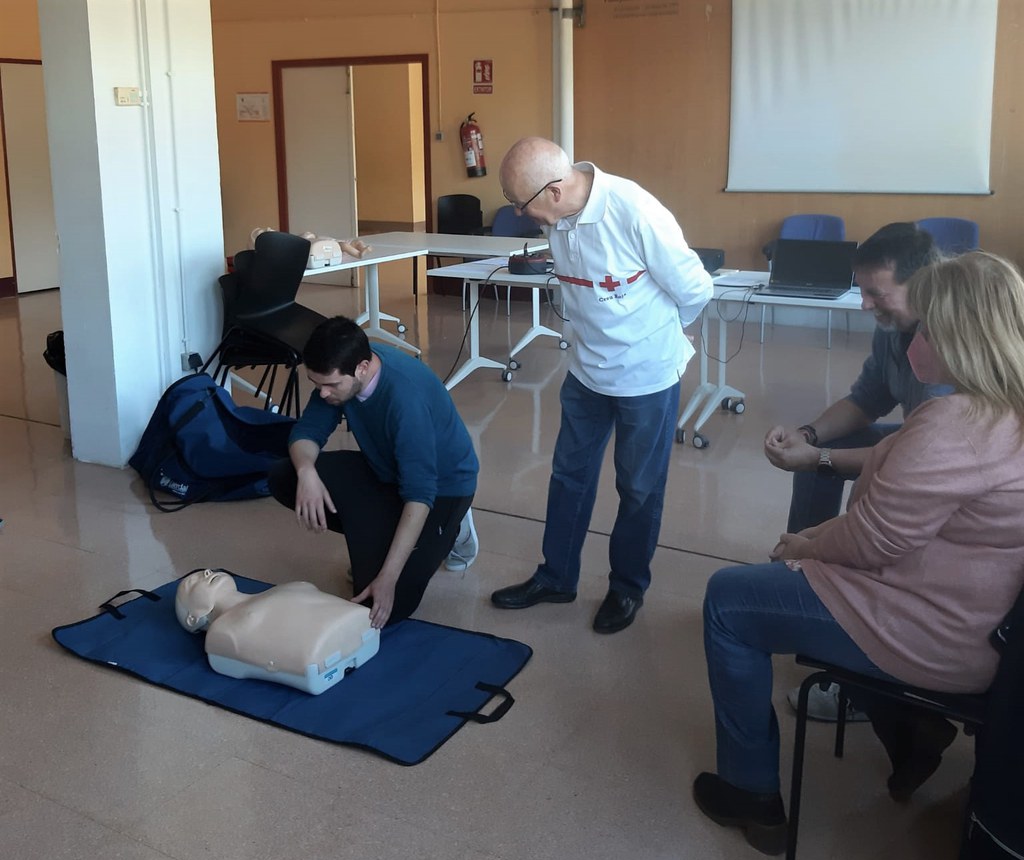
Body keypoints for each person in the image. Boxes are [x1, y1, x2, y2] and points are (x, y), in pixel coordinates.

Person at [694, 251, 1024, 856]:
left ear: (959, 334)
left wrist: (805, 546)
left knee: (729, 601)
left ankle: (750, 792)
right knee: (794, 575)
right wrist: (818, 468)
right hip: (981, 613)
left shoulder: (959, 423)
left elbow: (872, 543)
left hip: (938, 627)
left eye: (926, 328)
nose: (915, 339)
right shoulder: (1004, 406)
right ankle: (910, 727)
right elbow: (896, 483)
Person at [489, 137, 713, 633]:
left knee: (638, 487)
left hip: (647, 377)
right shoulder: (557, 216)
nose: (519, 214)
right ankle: (557, 577)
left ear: (552, 191)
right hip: (586, 371)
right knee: (569, 476)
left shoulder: (635, 211)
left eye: (520, 204)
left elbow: (696, 287)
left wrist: (665, 334)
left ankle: (627, 587)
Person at [763, 222, 947, 721]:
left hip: (930, 465)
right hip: (918, 448)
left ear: (923, 284)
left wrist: (817, 459)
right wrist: (810, 436)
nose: (864, 305)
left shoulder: (951, 345)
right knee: (825, 452)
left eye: (875, 293)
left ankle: (855, 643)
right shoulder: (897, 329)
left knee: (840, 471)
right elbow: (867, 399)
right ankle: (799, 576)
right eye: (861, 290)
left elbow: (916, 459)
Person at [268, 317, 478, 629]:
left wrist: (388, 577)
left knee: (381, 607)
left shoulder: (405, 399)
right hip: (386, 472)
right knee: (286, 476)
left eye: (331, 385)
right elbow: (307, 432)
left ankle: (453, 529)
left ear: (362, 369)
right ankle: (378, 535)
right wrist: (307, 472)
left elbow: (420, 493)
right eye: (316, 384)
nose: (323, 393)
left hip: (442, 488)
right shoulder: (342, 368)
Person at [175, 569, 379, 696]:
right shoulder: (222, 632)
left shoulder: (278, 591)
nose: (207, 573)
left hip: (344, 634)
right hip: (325, 650)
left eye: (206, 572)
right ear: (192, 618)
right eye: (193, 583)